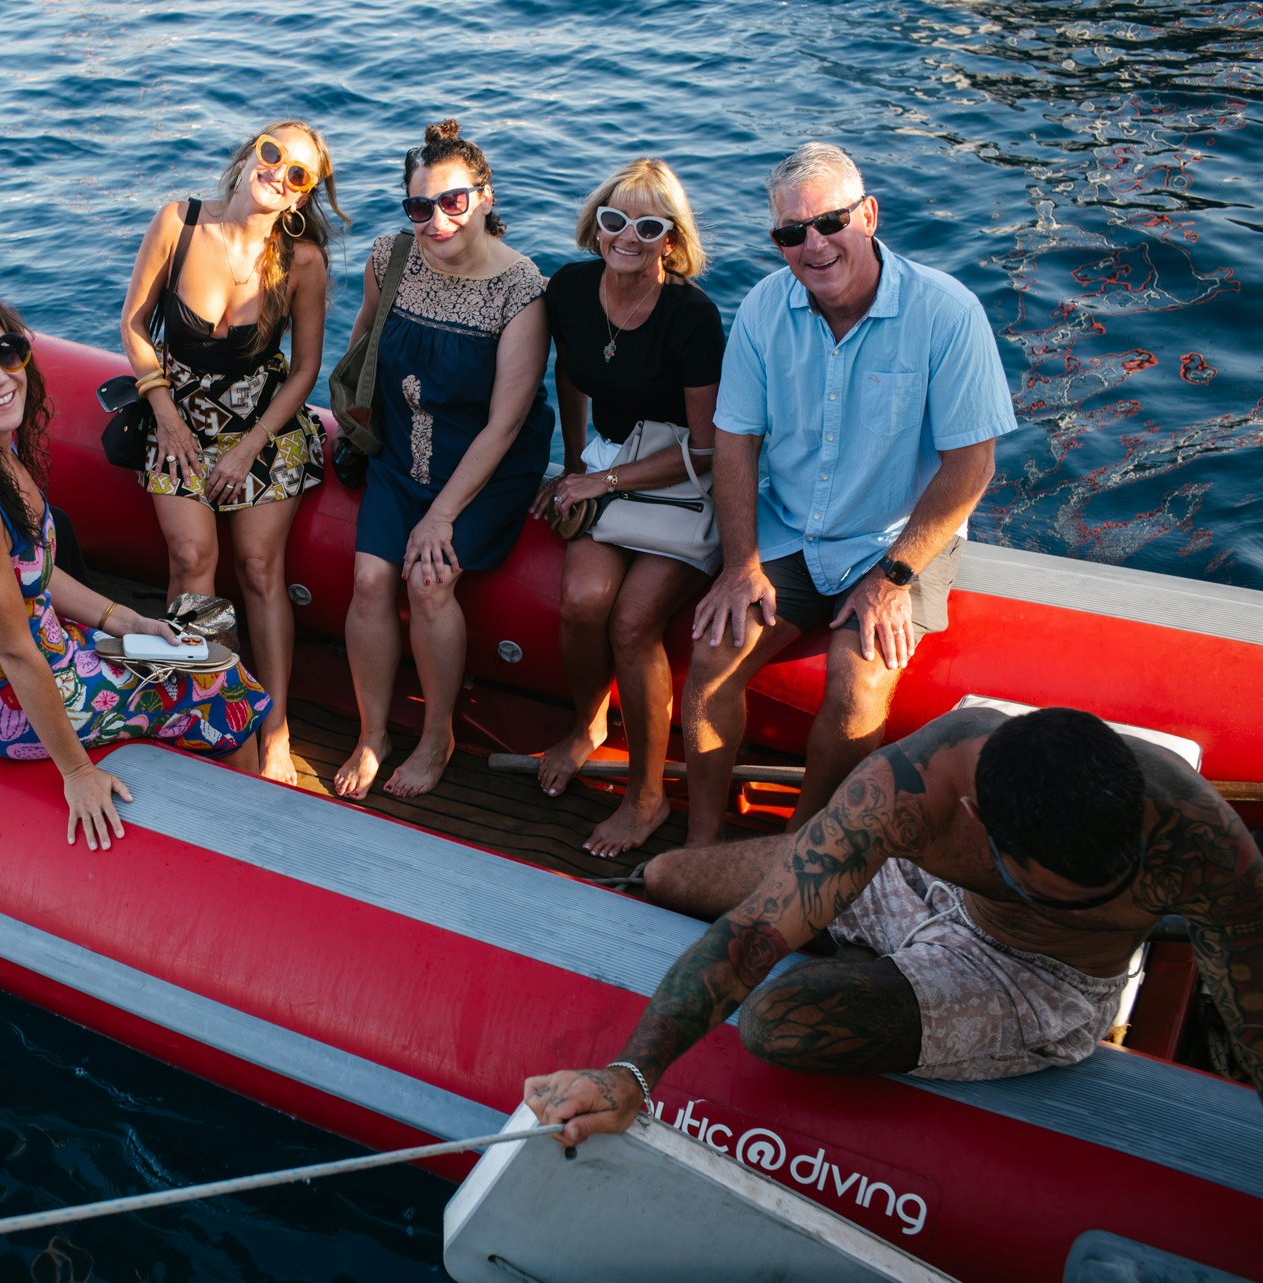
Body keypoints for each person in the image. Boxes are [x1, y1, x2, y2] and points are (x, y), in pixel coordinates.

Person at [526, 705, 1263, 1142]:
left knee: (778, 1023)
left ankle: (855, 946)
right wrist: (630, 1071)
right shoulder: (909, 789)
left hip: (1038, 971)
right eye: (1052, 889)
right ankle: (841, 923)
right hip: (920, 876)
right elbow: (751, 933)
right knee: (667, 875)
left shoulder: (1197, 841)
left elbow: (1251, 1005)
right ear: (979, 821)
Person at [684, 142, 1018, 845]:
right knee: (713, 660)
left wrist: (894, 576)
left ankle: (799, 855)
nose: (815, 245)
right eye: (791, 232)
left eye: (831, 222)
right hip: (793, 529)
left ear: (868, 215)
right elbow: (736, 443)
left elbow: (970, 467)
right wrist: (741, 562)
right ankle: (701, 843)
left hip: (896, 539)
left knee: (856, 687)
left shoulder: (947, 313)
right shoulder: (762, 311)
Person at [0, 286, 271, 849]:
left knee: (200, 629)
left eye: (6, 352)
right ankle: (252, 836)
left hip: (39, 649)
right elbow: (14, 650)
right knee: (221, 677)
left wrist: (124, 621)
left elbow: (33, 573)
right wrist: (77, 773)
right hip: (5, 698)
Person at [331, 120, 553, 802]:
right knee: (371, 580)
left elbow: (506, 422)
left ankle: (438, 735)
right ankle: (373, 733)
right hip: (403, 453)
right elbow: (362, 344)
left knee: (429, 581)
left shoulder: (520, 290)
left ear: (484, 197)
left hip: (483, 469)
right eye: (419, 207)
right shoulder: (388, 258)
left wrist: (443, 516)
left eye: (453, 202)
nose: (435, 221)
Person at [119, 121, 346, 785]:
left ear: (303, 196)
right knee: (193, 558)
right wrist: (163, 410)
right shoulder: (179, 222)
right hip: (176, 417)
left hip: (262, 427)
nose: (277, 171)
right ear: (250, 153)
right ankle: (216, 706)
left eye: (296, 173)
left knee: (256, 567)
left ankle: (272, 726)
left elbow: (305, 370)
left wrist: (249, 448)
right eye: (271, 153)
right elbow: (133, 324)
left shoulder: (301, 262)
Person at [528, 160, 726, 857]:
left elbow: (706, 450)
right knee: (583, 598)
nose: (628, 237)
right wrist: (575, 462)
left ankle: (648, 798)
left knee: (636, 619)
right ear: (597, 224)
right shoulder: (572, 288)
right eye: (615, 220)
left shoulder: (693, 317)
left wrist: (601, 484)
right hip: (610, 459)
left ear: (672, 238)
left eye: (649, 225)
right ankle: (589, 723)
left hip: (677, 475)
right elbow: (568, 375)